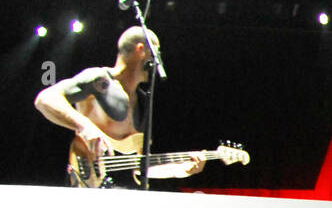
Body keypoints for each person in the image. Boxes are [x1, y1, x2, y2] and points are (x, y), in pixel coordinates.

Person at [34, 26, 205, 185]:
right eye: (156, 52)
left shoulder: (144, 100)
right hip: (86, 186)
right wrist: (85, 126)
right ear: (141, 50)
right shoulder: (100, 79)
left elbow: (139, 166)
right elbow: (45, 98)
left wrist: (182, 170)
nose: (158, 59)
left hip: (123, 197)